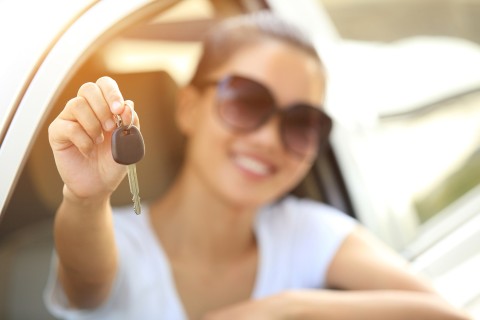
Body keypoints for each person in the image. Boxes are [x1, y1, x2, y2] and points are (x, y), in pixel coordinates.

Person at [45, 11, 470, 320]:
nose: (268, 138)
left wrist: (291, 309)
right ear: (189, 107)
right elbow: (85, 288)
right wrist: (86, 197)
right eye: (246, 101)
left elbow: (445, 314)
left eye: (302, 123)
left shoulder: (305, 232)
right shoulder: (114, 238)